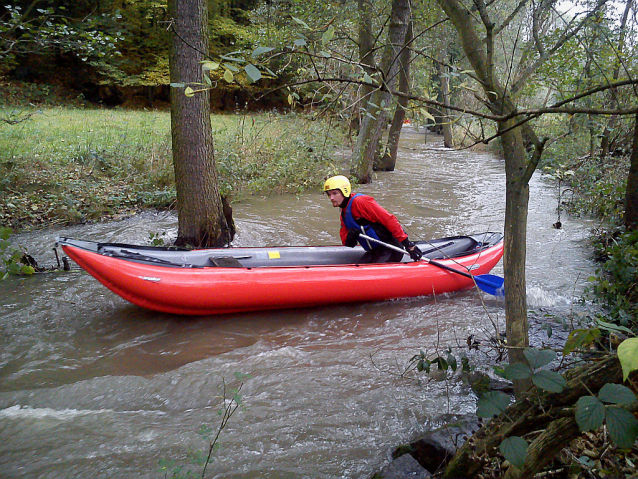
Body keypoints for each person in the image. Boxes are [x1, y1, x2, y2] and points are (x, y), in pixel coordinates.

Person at [323, 175, 423, 264]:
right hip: (375, 251)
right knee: (357, 271)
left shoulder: (361, 202)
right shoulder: (344, 213)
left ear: (344, 191)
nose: (331, 198)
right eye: (329, 194)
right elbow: (348, 243)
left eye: (334, 193)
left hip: (391, 249)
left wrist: (408, 245)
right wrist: (350, 237)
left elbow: (389, 220)